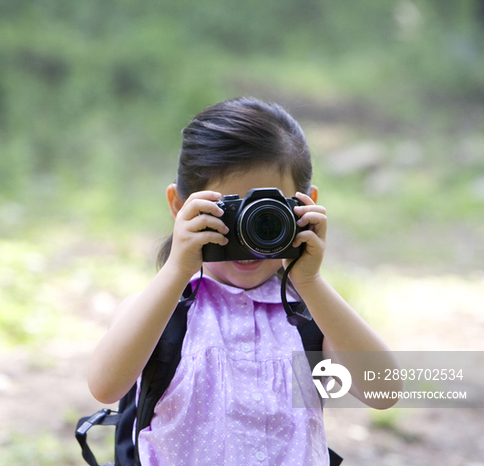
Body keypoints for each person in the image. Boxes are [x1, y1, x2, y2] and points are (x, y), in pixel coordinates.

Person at [87, 97, 399, 465]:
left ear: (305, 207)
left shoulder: (309, 318)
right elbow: (105, 387)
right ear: (179, 207)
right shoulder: (161, 313)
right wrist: (176, 270)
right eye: (227, 213)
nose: (248, 236)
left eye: (267, 214)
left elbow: (384, 389)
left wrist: (310, 281)